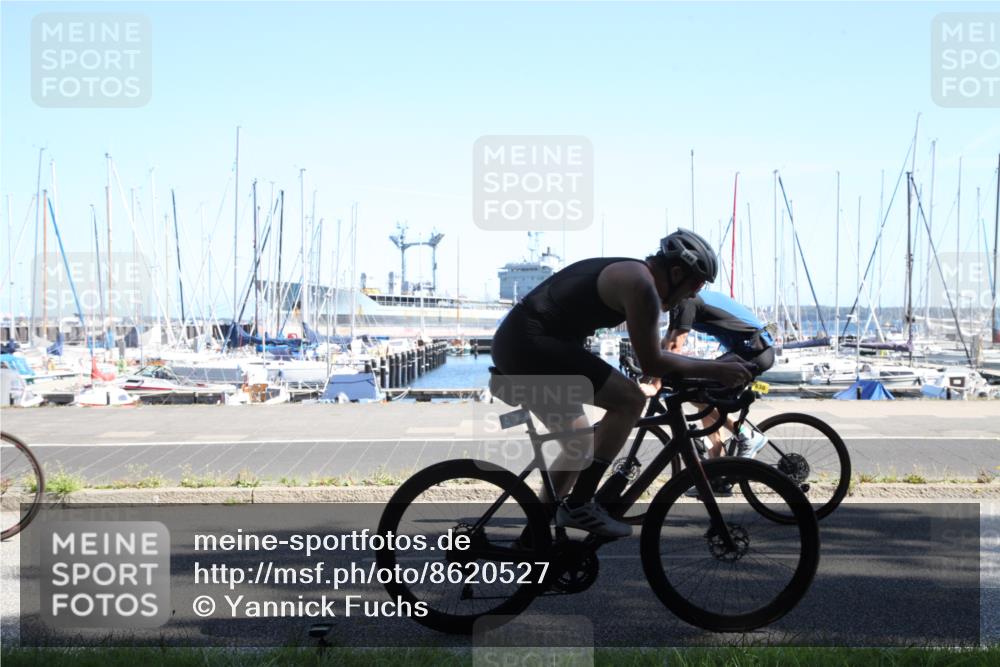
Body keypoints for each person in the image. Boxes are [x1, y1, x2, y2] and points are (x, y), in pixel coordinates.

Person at [490, 229, 752, 538]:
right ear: (677, 272)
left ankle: (534, 538)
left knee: (578, 445)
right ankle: (580, 505)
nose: (693, 296)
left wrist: (704, 373)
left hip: (526, 342)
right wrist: (717, 371)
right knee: (629, 400)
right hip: (531, 342)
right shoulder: (640, 286)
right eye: (694, 285)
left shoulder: (635, 274)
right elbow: (652, 363)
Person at [661, 293, 775, 495]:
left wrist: (654, 378)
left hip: (754, 351)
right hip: (749, 350)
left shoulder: (686, 301)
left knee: (699, 394)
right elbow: (667, 342)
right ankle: (717, 477)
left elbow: (675, 348)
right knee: (703, 396)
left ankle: (745, 434)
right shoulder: (679, 304)